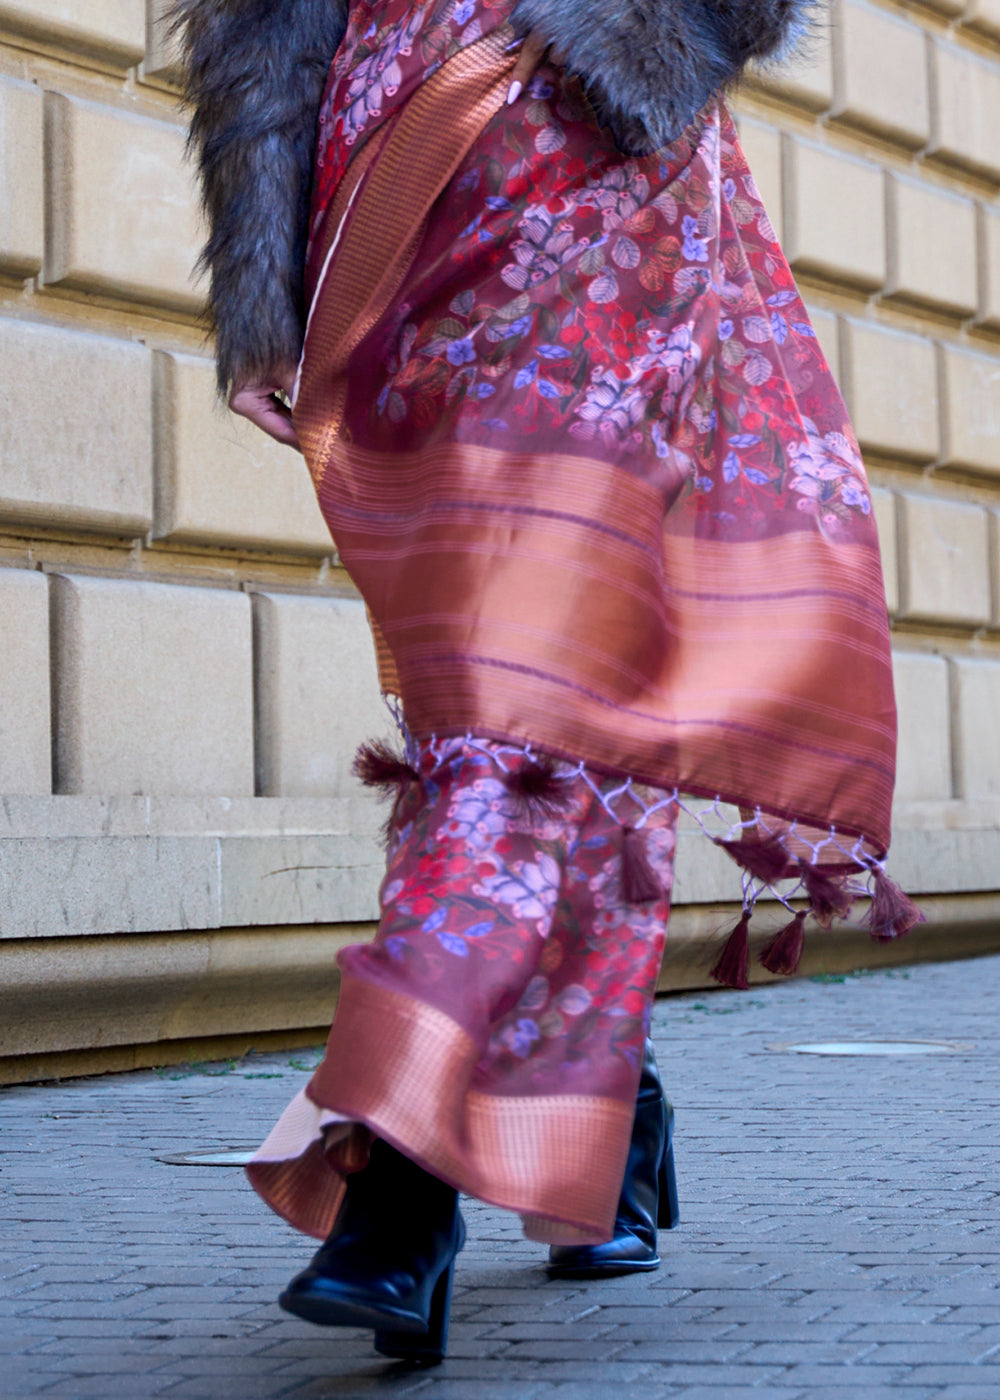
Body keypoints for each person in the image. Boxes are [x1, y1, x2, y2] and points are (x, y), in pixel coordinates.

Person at [175, 0, 920, 1365]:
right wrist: (265, 281)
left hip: (594, 177)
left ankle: (399, 1175)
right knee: (509, 692)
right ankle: (607, 1101)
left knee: (526, 695)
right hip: (387, 208)